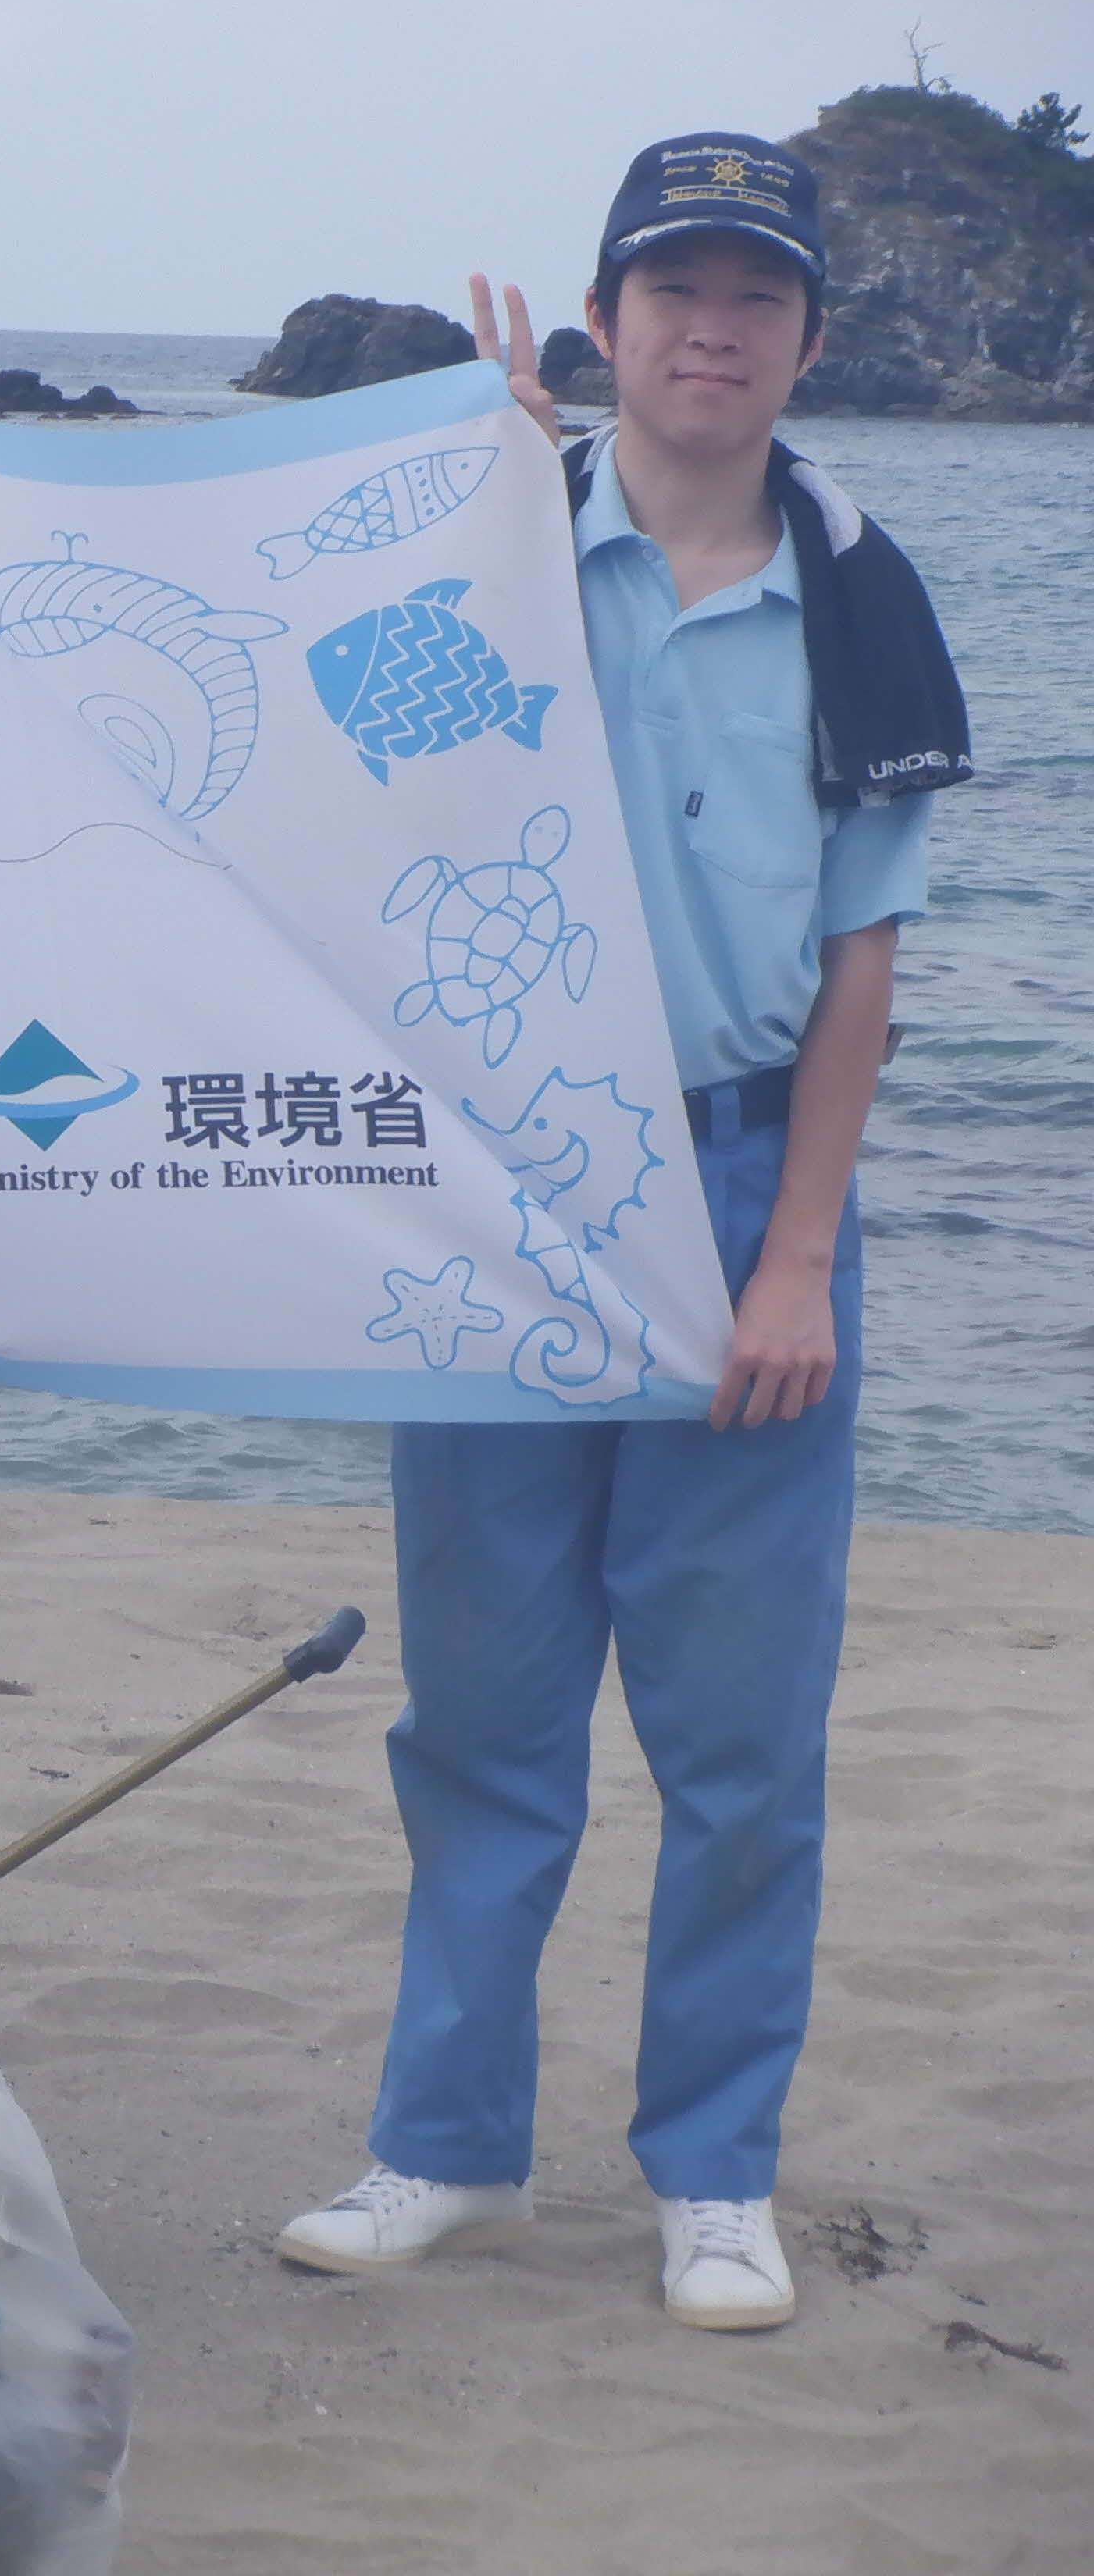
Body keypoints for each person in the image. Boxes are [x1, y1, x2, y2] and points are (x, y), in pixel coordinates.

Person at [277, 136, 969, 2330]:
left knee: (738, 1726)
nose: (711, 326)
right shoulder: (497, 545)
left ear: (806, 340)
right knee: (483, 1709)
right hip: (507, 1183)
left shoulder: (862, 582)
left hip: (752, 1179)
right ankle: (448, 2145)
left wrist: (795, 1260)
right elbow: (309, 772)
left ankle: (714, 2171)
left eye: (755, 295)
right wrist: (437, 499)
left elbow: (862, 964)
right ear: (604, 319)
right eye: (670, 287)